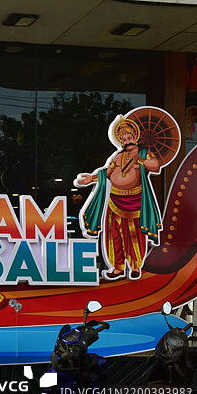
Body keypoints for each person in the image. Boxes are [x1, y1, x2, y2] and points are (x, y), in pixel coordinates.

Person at [76, 116, 162, 280]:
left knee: (133, 235)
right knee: (113, 234)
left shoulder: (144, 153)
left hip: (134, 202)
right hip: (114, 201)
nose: (127, 141)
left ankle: (135, 266)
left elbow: (156, 166)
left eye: (129, 138)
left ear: (135, 138)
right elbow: (107, 173)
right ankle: (118, 267)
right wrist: (91, 179)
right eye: (123, 139)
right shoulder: (117, 157)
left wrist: (141, 160)